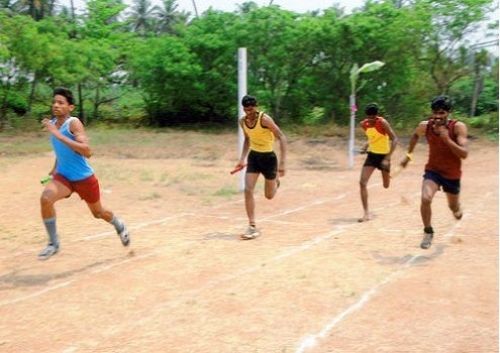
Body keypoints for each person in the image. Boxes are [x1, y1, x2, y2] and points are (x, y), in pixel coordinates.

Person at [38, 87, 130, 260]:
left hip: (84, 178)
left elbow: (87, 151)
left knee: (98, 213)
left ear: (70, 107)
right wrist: (55, 167)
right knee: (46, 199)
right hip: (64, 177)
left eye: (61, 102)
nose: (56, 105)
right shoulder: (53, 124)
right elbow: (62, 151)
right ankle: (53, 243)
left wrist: (58, 134)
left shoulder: (73, 123)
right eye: (54, 102)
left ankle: (119, 224)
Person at [400, 95, 468, 249]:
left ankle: (457, 210)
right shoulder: (425, 126)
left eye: (442, 113)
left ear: (449, 113)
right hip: (433, 171)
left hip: (452, 174)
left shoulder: (458, 128)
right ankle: (428, 231)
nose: (438, 117)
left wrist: (448, 140)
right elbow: (415, 136)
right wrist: (408, 156)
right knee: (425, 198)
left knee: (453, 207)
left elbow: (464, 153)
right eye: (435, 113)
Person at [234, 95, 287, 239]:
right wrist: (242, 159)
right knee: (248, 189)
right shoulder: (242, 122)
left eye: (251, 109)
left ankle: (276, 181)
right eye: (246, 109)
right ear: (243, 108)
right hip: (254, 157)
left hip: (269, 159)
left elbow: (282, 137)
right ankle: (252, 226)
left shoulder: (265, 119)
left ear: (256, 107)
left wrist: (282, 163)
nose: (249, 112)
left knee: (269, 196)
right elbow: (247, 139)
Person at [358, 103, 398, 222]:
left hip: (384, 157)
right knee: (362, 182)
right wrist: (366, 146)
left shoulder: (382, 123)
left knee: (386, 185)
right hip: (372, 156)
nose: (371, 120)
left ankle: (387, 175)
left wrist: (387, 158)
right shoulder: (363, 124)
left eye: (373, 117)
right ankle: (366, 213)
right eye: (369, 117)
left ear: (377, 116)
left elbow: (395, 139)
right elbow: (372, 138)